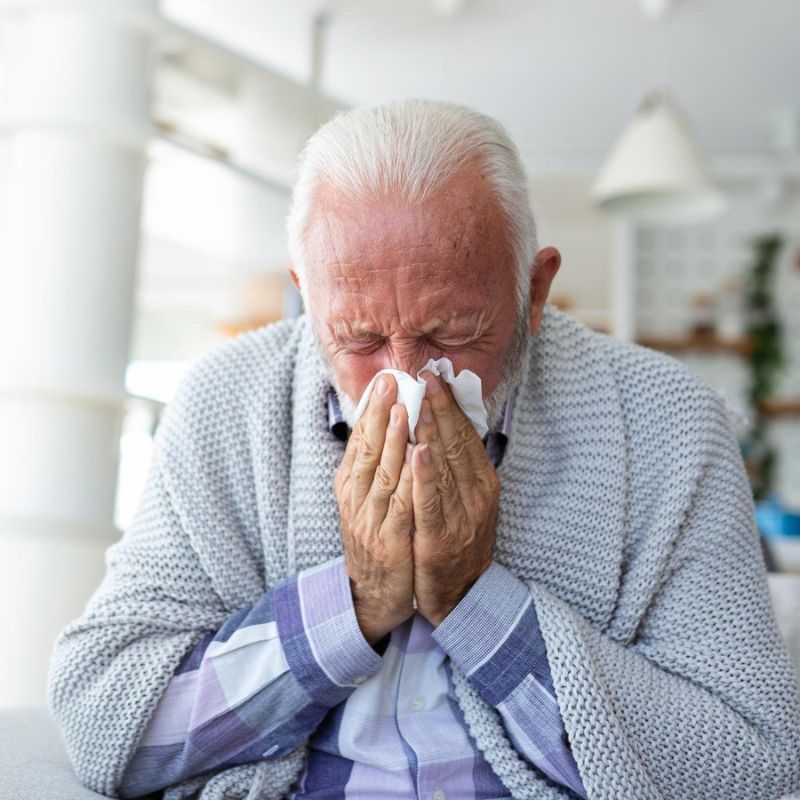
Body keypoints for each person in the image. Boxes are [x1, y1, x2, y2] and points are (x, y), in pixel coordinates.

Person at [48, 99, 800, 800]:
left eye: (452, 333)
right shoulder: (224, 402)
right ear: (305, 297)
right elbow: (105, 717)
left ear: (535, 294)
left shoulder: (668, 423)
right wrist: (354, 604)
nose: (406, 378)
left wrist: (477, 600)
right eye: (360, 339)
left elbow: (753, 759)